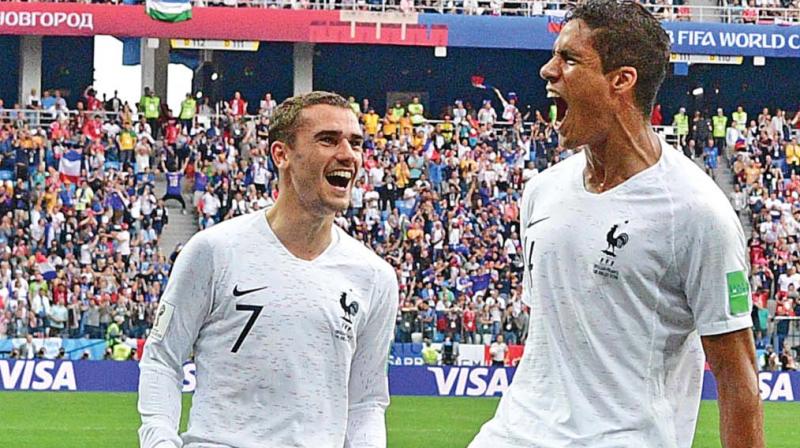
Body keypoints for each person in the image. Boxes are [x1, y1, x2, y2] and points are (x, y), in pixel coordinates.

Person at [470, 2, 764, 447]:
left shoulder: (697, 212)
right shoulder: (542, 192)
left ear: (621, 80)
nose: (548, 71)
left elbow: (736, 375)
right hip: (514, 433)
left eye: (569, 59)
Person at [138, 91, 398, 448]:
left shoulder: (374, 277)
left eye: (355, 143)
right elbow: (162, 359)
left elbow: (366, 401)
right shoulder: (214, 251)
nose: (348, 155)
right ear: (282, 154)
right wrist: (159, 441)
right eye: (328, 140)